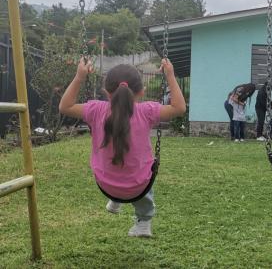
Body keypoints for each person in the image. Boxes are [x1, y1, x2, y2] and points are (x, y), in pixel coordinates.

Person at [59, 58, 186, 238]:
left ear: (106, 92)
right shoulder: (147, 111)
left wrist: (79, 77)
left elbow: (65, 107)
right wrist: (170, 75)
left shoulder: (96, 110)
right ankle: (144, 222)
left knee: (117, 167)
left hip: (106, 184)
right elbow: (179, 108)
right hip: (138, 186)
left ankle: (116, 200)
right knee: (144, 175)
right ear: (141, 92)